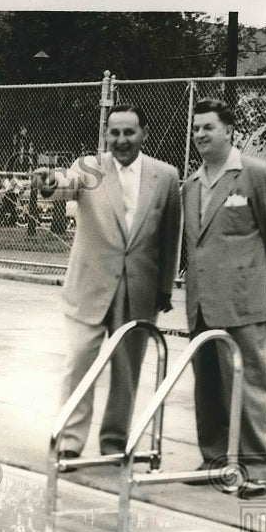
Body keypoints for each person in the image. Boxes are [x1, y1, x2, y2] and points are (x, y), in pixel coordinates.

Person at [33, 104, 181, 468]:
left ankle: (114, 443)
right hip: (90, 286)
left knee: (127, 370)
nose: (121, 140)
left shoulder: (165, 176)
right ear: (106, 135)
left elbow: (170, 237)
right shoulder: (90, 168)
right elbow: (63, 187)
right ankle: (69, 440)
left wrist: (164, 288)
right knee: (81, 360)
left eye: (129, 132)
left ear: (144, 133)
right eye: (114, 132)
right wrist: (49, 184)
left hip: (139, 291)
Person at [181, 98, 266, 498]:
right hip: (201, 303)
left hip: (245, 301)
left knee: (247, 386)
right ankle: (213, 459)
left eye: (207, 128)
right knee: (207, 385)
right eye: (195, 129)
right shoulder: (192, 184)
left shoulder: (256, 174)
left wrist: (260, 279)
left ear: (229, 131)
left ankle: (258, 468)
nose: (199, 135)